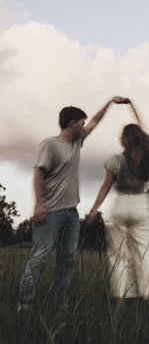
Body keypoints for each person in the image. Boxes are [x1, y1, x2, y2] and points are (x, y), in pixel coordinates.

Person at [17, 96, 129, 312]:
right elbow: (38, 173)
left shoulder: (78, 142)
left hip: (70, 214)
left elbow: (96, 120)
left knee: (67, 260)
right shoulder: (49, 144)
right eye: (81, 123)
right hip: (49, 213)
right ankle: (24, 304)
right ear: (71, 123)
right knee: (40, 257)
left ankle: (61, 304)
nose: (84, 126)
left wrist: (111, 102)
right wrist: (39, 204)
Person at [87, 109, 149, 313]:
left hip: (120, 205)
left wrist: (93, 210)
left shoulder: (115, 160)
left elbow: (105, 187)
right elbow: (148, 136)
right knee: (147, 254)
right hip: (142, 206)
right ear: (141, 137)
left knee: (119, 255)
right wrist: (133, 106)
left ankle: (121, 302)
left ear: (125, 139)